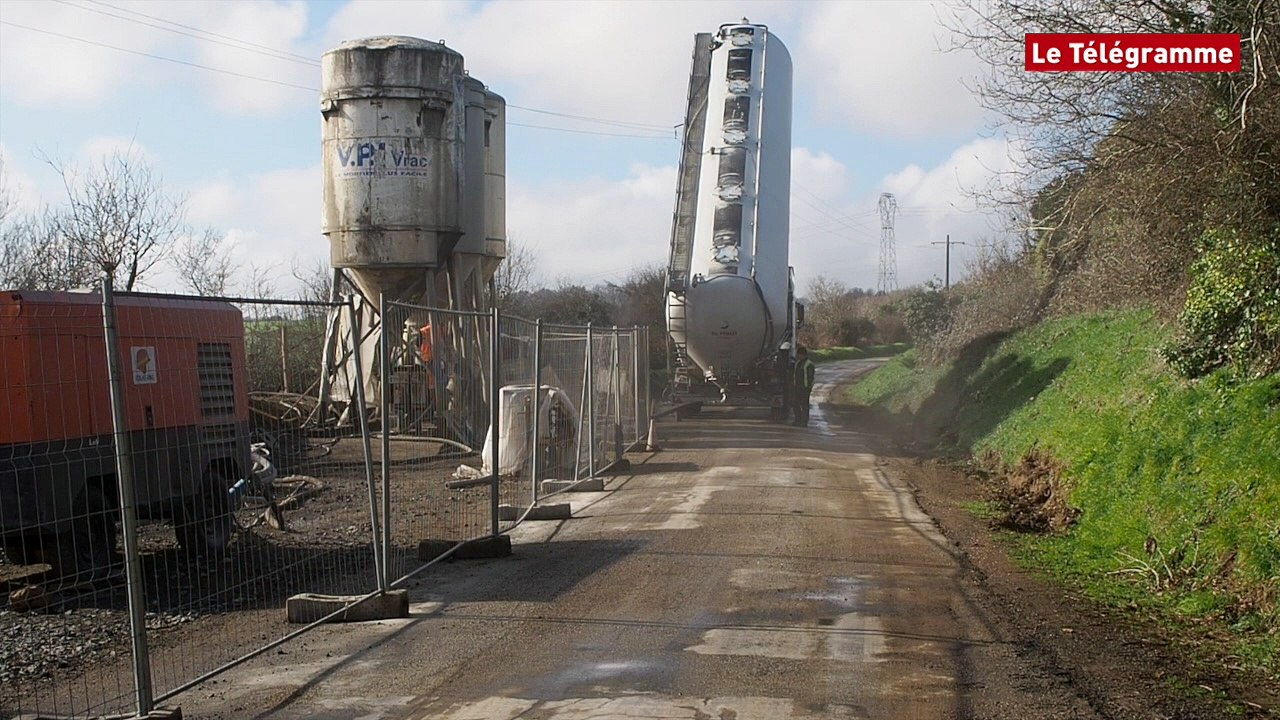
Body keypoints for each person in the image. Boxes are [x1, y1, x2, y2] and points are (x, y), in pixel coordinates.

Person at [792, 345, 815, 427]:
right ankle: (797, 420)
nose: (798, 356)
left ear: (803, 355)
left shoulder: (809, 364)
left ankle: (804, 422)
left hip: (805, 388)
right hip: (797, 387)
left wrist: (808, 387)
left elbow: (810, 377)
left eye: (799, 355)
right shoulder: (798, 363)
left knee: (804, 405)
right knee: (795, 403)